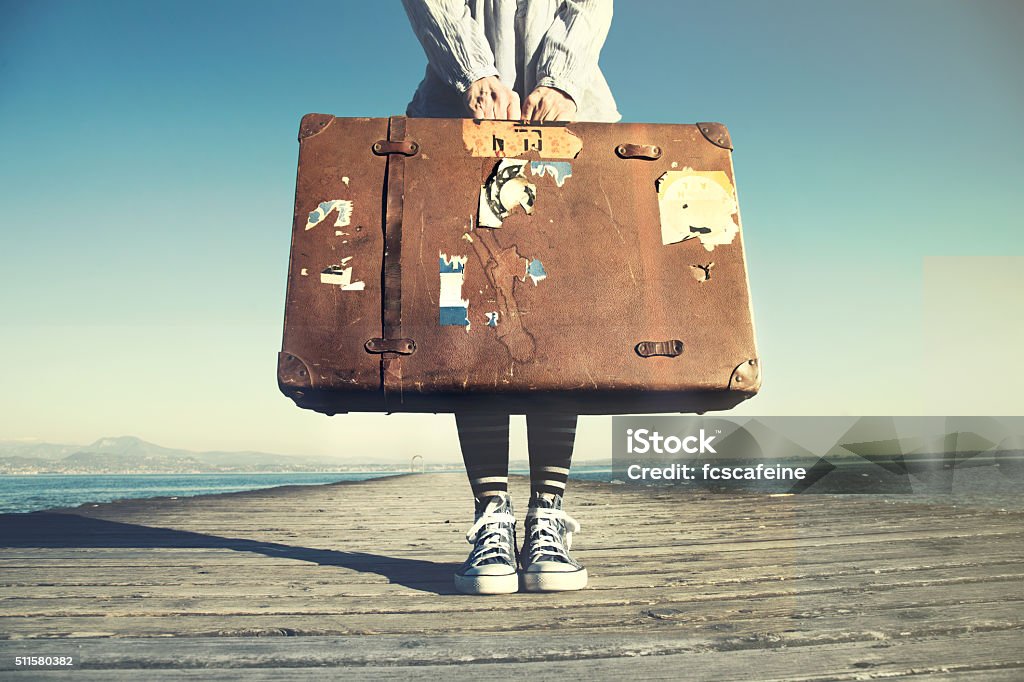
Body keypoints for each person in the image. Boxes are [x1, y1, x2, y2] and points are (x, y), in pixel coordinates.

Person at [401, 0, 620, 594]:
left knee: (558, 323)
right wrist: (472, 69)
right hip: (457, 113)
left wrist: (562, 78)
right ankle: (491, 517)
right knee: (467, 322)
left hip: (571, 120)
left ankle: (546, 516)